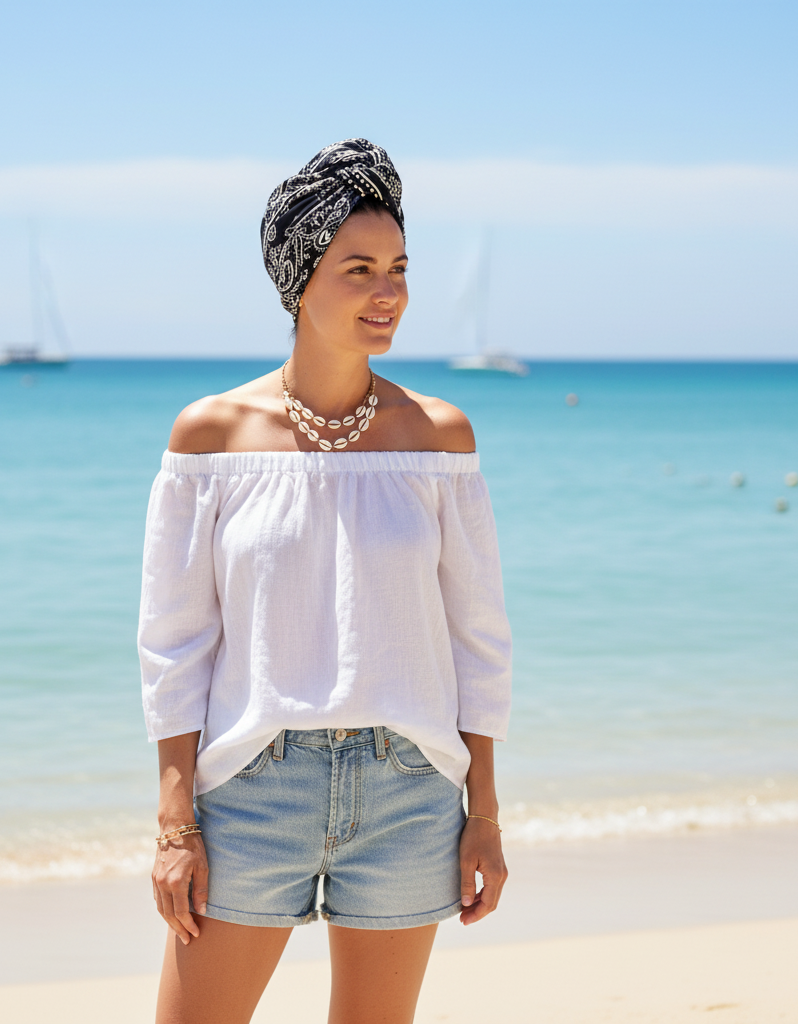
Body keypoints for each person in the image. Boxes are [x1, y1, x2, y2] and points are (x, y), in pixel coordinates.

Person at [138, 138, 512, 1024]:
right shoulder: (211, 438)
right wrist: (174, 823)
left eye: (399, 268)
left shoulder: (438, 439)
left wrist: (485, 811)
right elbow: (174, 645)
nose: (389, 294)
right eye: (359, 270)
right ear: (299, 281)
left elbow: (479, 637)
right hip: (251, 789)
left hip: (408, 789)